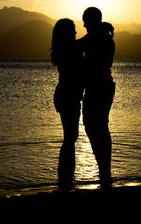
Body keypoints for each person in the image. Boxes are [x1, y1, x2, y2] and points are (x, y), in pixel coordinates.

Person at [77, 7, 115, 188]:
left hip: (98, 87)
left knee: (94, 127)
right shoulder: (103, 35)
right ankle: (104, 171)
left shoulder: (96, 36)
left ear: (92, 20)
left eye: (85, 20)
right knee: (98, 127)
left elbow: (76, 46)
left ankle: (104, 171)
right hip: (103, 86)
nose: (83, 24)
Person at [51, 18, 85, 189]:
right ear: (66, 33)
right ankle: (65, 178)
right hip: (67, 96)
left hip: (65, 95)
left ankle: (65, 177)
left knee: (70, 138)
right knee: (70, 138)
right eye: (73, 30)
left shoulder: (64, 48)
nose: (76, 33)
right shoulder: (69, 50)